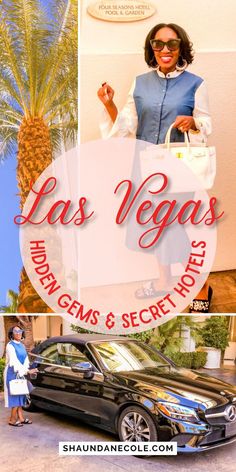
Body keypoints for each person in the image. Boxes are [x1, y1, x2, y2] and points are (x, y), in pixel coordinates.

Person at [97, 23, 213, 313]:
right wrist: (109, 104)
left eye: (171, 44)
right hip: (145, 165)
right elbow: (126, 125)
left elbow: (207, 124)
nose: (164, 50)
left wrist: (194, 122)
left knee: (170, 224)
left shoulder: (197, 84)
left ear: (181, 48)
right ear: (151, 48)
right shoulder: (139, 83)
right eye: (158, 44)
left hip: (178, 168)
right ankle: (164, 281)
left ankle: (200, 285)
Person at [4, 325, 37, 427]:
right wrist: (28, 371)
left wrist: (28, 369)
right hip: (12, 373)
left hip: (20, 373)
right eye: (15, 331)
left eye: (20, 331)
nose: (18, 333)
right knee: (15, 397)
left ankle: (21, 418)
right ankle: (12, 420)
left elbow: (25, 360)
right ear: (12, 333)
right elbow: (14, 362)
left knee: (21, 395)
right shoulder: (10, 345)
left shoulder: (21, 345)